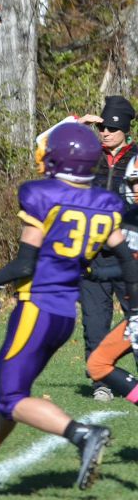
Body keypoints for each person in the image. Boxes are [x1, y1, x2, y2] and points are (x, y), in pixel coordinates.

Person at [0, 121, 138, 490]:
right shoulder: (104, 205)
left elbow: (25, 264)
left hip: (36, 308)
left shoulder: (44, 197)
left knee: (11, 397)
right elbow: (126, 260)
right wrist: (135, 308)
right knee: (15, 392)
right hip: (63, 315)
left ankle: (82, 435)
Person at [77, 96, 137, 400]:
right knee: (94, 322)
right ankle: (101, 382)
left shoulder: (136, 159)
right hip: (91, 254)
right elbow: (44, 146)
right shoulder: (87, 154)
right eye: (102, 127)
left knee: (135, 320)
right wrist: (76, 125)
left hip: (129, 254)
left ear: (126, 130)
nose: (106, 133)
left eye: (113, 128)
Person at [87, 160, 138, 400]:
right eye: (134, 182)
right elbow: (128, 268)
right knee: (97, 364)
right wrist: (93, 273)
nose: (137, 189)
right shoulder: (128, 219)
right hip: (136, 315)